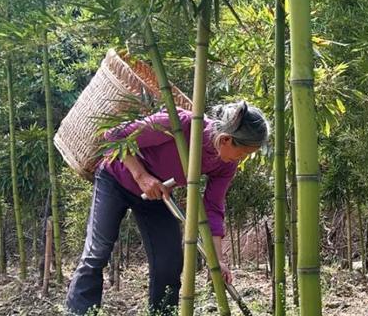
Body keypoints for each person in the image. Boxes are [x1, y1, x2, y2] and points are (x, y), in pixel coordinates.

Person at [66, 101, 269, 315]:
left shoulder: (226, 164)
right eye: (244, 153)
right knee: (97, 253)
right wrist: (141, 176)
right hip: (116, 178)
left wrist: (216, 261)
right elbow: (115, 136)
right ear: (226, 139)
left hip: (158, 195)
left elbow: (213, 208)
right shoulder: (180, 124)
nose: (243, 159)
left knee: (169, 264)